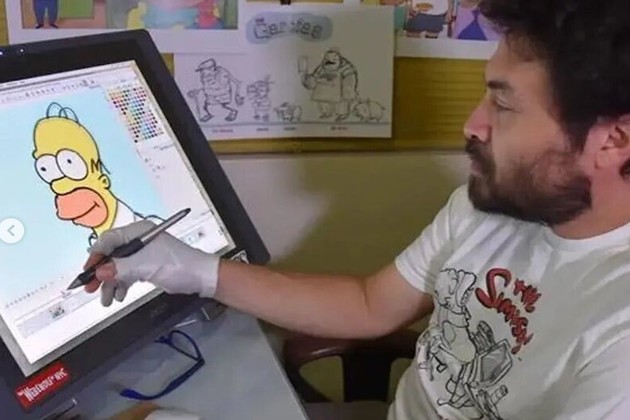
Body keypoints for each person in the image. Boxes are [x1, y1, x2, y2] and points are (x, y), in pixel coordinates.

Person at [84, 0, 630, 418]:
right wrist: (197, 271)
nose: (473, 124)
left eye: (503, 104)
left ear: (614, 140)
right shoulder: (491, 204)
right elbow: (371, 305)